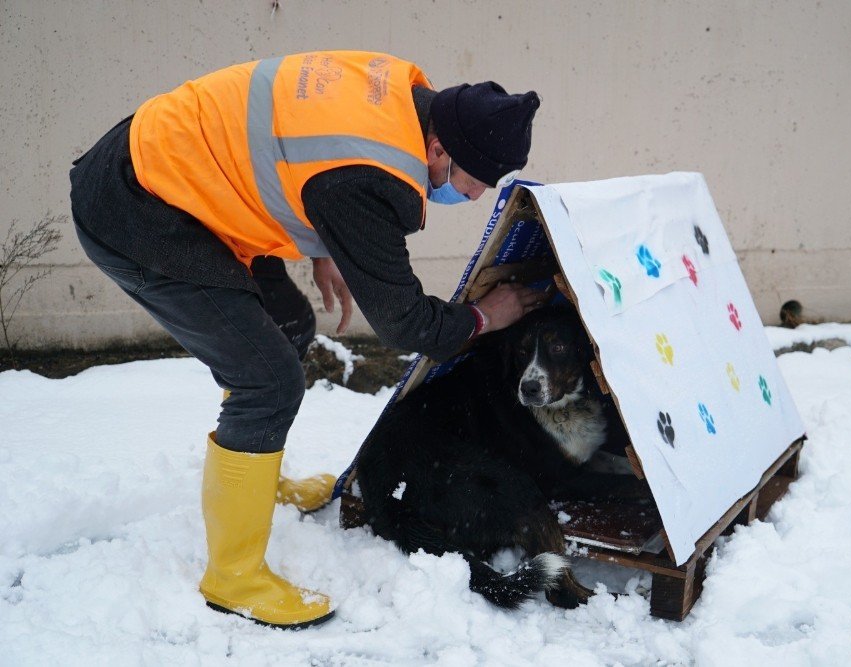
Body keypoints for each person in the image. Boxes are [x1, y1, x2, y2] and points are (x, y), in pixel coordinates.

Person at [69, 51, 542, 630]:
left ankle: (259, 480)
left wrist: (328, 242)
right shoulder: (374, 176)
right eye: (476, 181)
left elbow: (301, 153)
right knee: (266, 380)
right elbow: (406, 324)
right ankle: (233, 577)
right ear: (439, 149)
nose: (474, 197)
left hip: (184, 169)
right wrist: (485, 317)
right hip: (138, 205)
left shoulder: (398, 93)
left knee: (289, 324)